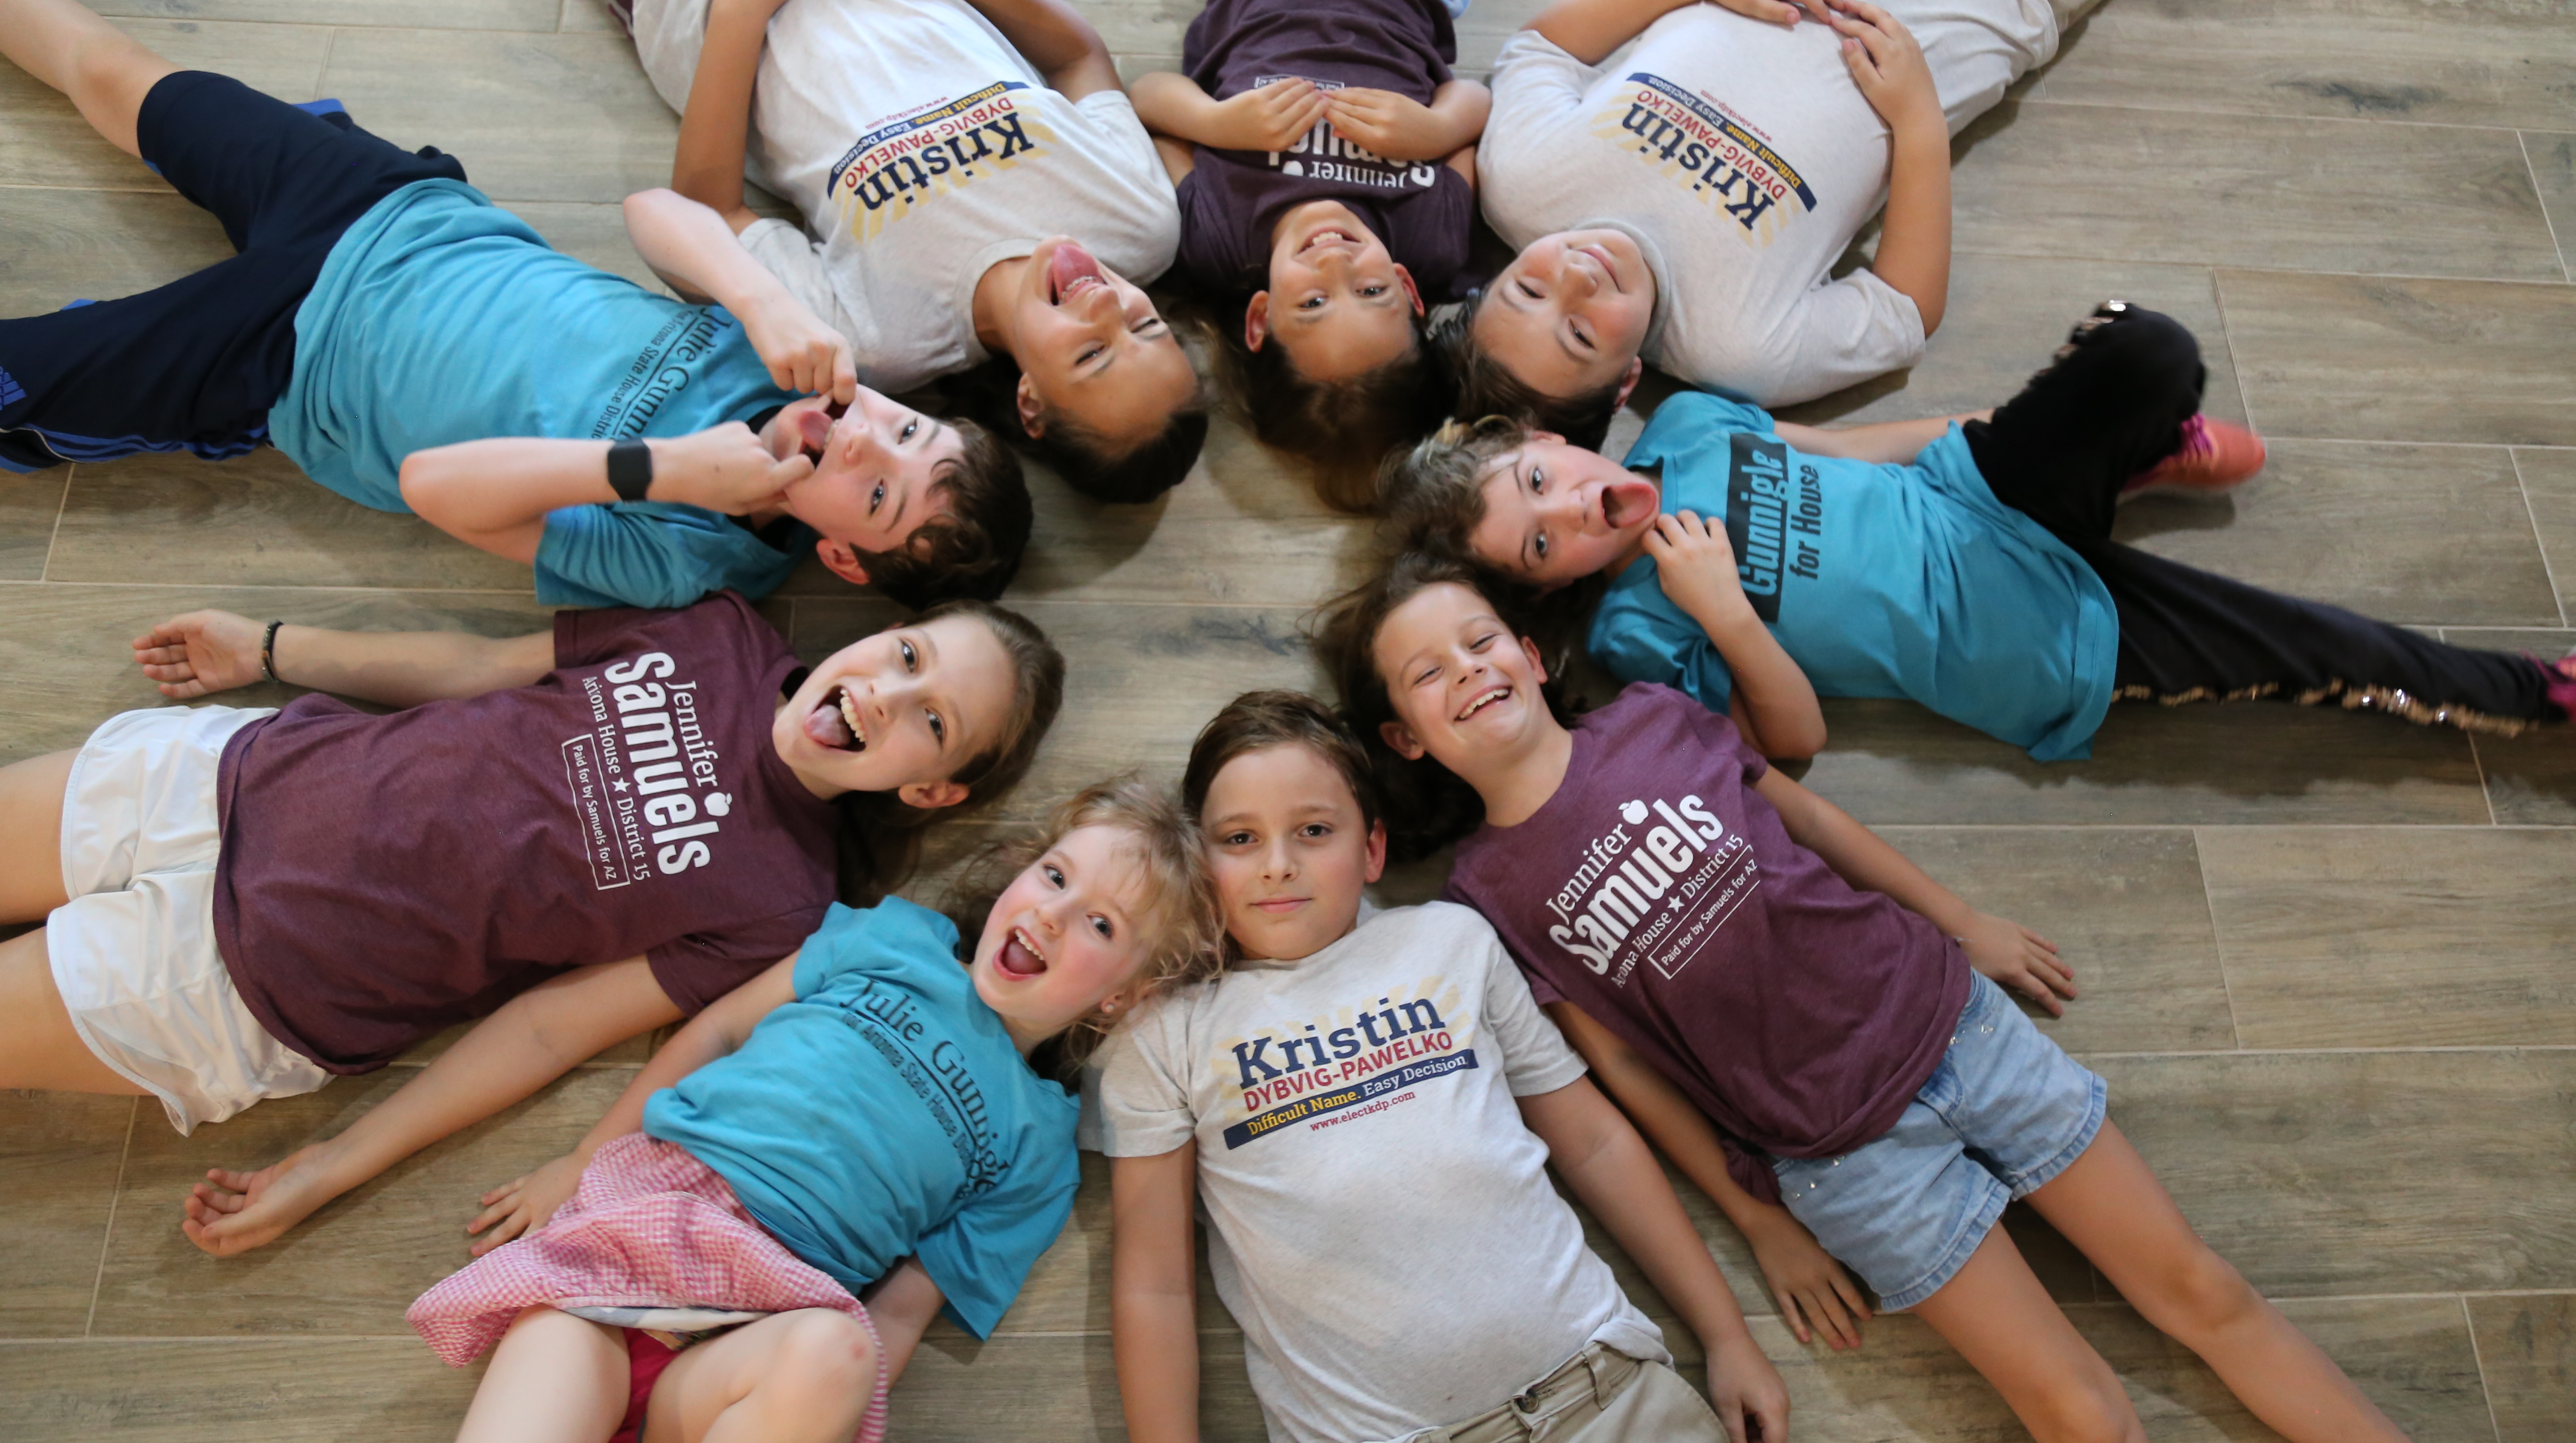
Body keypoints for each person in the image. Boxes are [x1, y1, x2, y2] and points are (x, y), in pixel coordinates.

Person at [1326, 558, 2414, 1443]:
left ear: (1529, 650)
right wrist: (1761, 1226)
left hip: (1955, 1030)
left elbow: (1812, 820)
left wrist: (1961, 918)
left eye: (1478, 640)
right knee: (2074, 1411)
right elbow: (1623, 1072)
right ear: (1407, 737)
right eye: (1426, 674)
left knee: (2203, 1293)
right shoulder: (1485, 894)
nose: (1466, 671)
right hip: (1844, 1163)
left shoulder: (1655, 719)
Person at [0, 587, 1063, 1261]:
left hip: (244, 981)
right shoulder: (719, 633)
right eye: (911, 654)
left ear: (931, 792)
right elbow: (473, 667)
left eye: (934, 721)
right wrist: (275, 645)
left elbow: (553, 1028)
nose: (886, 694)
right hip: (223, 777)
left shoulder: (787, 905)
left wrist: (333, 1164)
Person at [1462, 0, 2434, 440]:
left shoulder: (1523, 184)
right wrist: (1918, 123)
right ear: (1630, 377)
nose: (1575, 281)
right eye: (1582, 333)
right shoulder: (1736, 352)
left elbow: (1543, 48)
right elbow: (1900, 316)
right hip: (1977, 2)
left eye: (1529, 288)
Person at [0, 0, 1030, 608]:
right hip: (390, 209)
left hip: (287, 363)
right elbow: (652, 212)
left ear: (845, 559)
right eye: (905, 431)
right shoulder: (797, 343)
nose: (861, 441)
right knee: (115, 74)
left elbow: (433, 489)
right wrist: (764, 300)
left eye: (879, 494)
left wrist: (661, 469)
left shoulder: (690, 563)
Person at [395, 0, 1212, 503]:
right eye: (1149, 333)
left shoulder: (884, 342)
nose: (1113, 309)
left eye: (1095, 356)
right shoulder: (1142, 228)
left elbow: (709, 212)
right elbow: (1080, 59)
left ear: (1031, 403)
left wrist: (743, 1)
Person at [408, 778, 1223, 1443]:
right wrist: (584, 1157)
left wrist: (830, 1408)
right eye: (1055, 875)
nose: (1052, 912)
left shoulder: (1040, 1144)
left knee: (842, 1352)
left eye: (1101, 923)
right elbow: (723, 1025)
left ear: (1125, 996)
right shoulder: (891, 941)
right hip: (623, 1261)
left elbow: (901, 1313)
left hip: (763, 1342)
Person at [1386, 302, 2576, 758]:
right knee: (2322, 650)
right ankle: (2538, 693)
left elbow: (1855, 450)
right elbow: (1791, 744)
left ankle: (2131, 461)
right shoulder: (1643, 631)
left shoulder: (1692, 425)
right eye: (1541, 543)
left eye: (1541, 477)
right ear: (1549, 588)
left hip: (1980, 496)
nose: (1565, 511)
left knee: (2147, 347)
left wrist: (2017, 433)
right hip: (2029, 634)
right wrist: (1725, 614)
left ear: (1562, 439)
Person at [1095, 690, 1790, 1443]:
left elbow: (1595, 1143)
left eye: (1314, 830)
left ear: (1372, 850)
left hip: (1604, 1390)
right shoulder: (1168, 1034)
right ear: (1198, 862)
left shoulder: (1452, 943)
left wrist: (1726, 1336)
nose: (1278, 865)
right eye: (1238, 839)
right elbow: (1156, 1284)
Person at [1127, 0, 1487, 504]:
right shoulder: (1430, 240)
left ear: (1259, 320)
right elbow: (1477, 104)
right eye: (1373, 293)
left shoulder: (1218, 245)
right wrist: (1432, 131)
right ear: (1411, 291)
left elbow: (1148, 101)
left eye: (1313, 303)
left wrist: (1218, 126)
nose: (1338, 265)